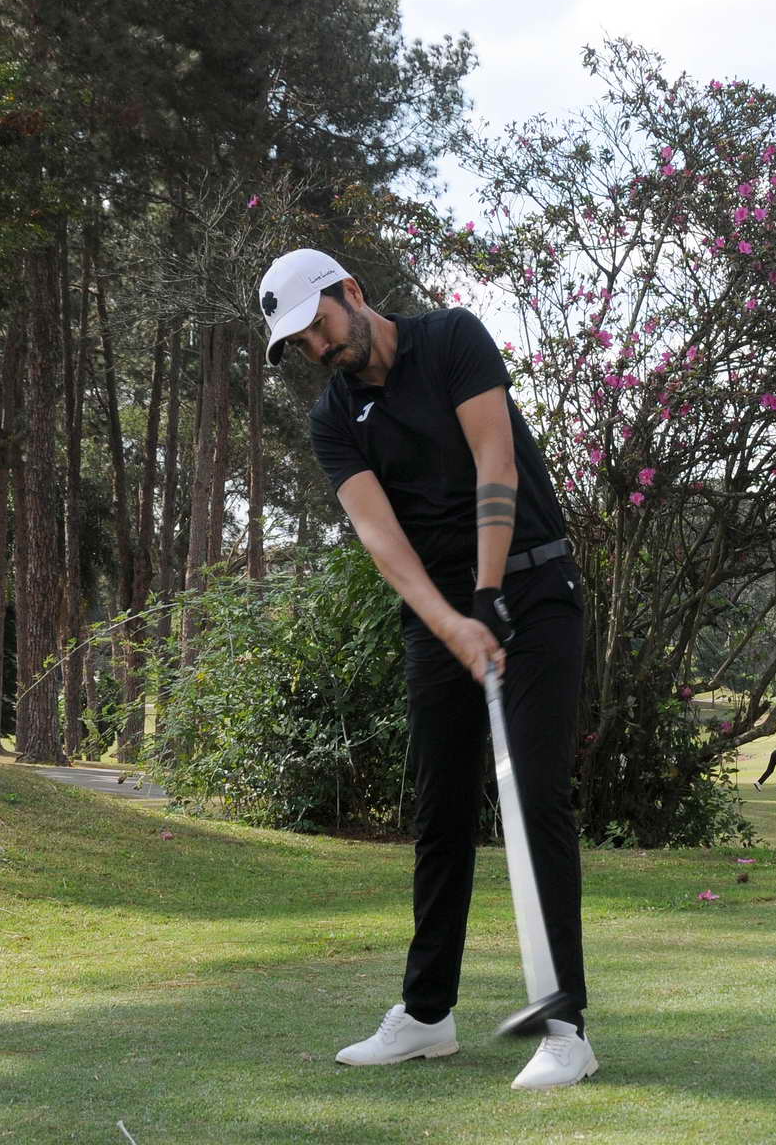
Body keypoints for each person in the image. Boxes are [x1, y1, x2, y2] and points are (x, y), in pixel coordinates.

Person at [259, 248, 595, 1090]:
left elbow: (496, 462)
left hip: (532, 590)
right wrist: (451, 622)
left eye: (318, 326)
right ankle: (426, 1016)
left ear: (352, 293)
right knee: (439, 812)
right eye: (300, 343)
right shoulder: (335, 418)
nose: (317, 348)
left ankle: (566, 1032)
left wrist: (487, 596)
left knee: (535, 802)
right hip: (442, 615)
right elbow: (380, 536)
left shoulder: (452, 339)